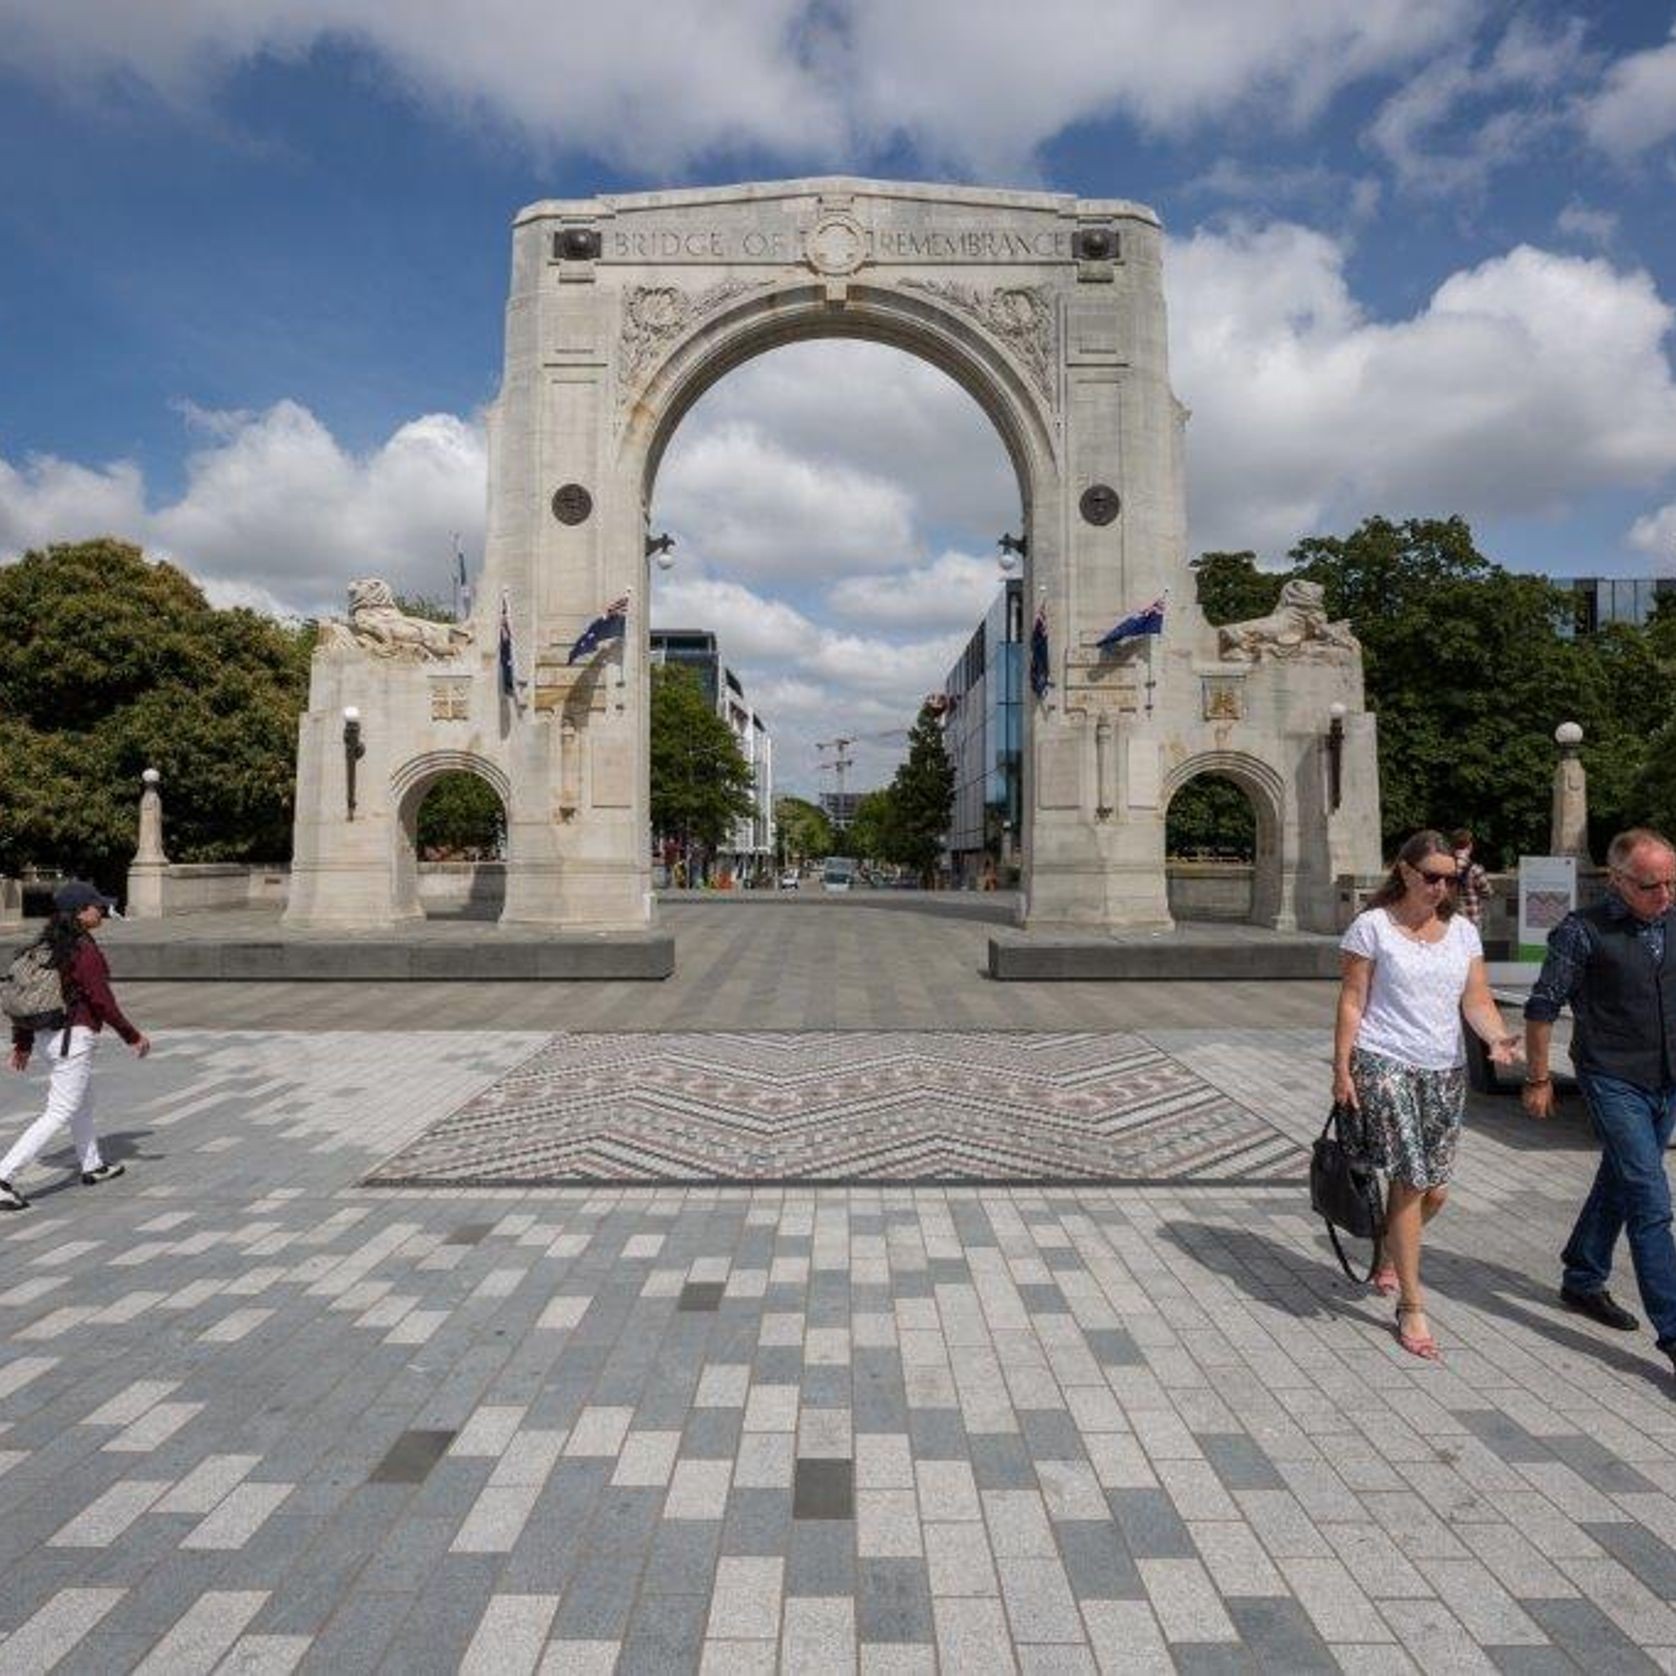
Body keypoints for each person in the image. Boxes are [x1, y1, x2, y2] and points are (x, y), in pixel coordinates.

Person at [1334, 830, 1519, 1358]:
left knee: (1435, 1191)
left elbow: (1477, 998)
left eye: (1450, 878)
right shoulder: (1372, 927)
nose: (1441, 887)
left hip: (1445, 1070)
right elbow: (1352, 1001)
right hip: (1384, 1061)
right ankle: (1412, 1306)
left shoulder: (1461, 932)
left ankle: (1394, 1251)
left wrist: (1497, 1036)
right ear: (1406, 871)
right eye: (1432, 876)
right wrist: (1342, 1069)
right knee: (1411, 1179)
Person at [1523, 827, 1676, 1364]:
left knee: (1622, 1176)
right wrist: (1539, 1078)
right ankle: (1674, 1332)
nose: (1665, 896)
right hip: (1612, 1078)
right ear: (1617, 881)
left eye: (1672, 883)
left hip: (1667, 1079)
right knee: (1651, 1201)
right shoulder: (1581, 931)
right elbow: (1542, 1006)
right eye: (1652, 885)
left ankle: (1584, 1274)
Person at [1, 881, 149, 1211]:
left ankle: (92, 1165)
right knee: (59, 1111)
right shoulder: (83, 949)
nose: (102, 910)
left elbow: (25, 994)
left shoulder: (46, 945)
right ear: (82, 912)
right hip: (72, 1039)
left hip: (46, 1037)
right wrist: (132, 1036)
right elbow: (102, 1001)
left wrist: (22, 1043)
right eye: (97, 906)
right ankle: (3, 1177)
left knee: (81, 1099)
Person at [1450, 828, 1494, 928]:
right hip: (1471, 920)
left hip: (1450, 920)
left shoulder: (1444, 867)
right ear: (1470, 846)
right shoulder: (1475, 869)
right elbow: (1488, 893)